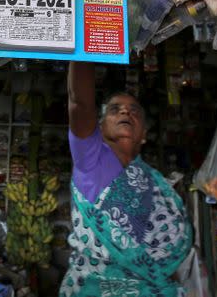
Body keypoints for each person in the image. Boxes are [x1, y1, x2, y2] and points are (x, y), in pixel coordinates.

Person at [61, 61, 191, 297]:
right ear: (99, 127)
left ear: (144, 135)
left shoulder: (155, 184)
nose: (125, 112)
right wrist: (83, 36)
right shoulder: (91, 162)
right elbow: (79, 103)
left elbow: (168, 263)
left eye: (135, 111)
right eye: (115, 109)